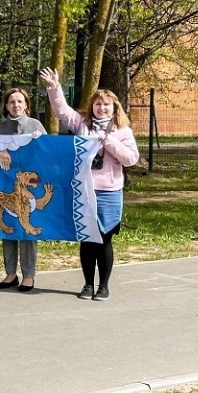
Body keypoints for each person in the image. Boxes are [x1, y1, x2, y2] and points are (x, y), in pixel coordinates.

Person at [40, 68, 139, 301]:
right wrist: (55, 87)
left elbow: (131, 159)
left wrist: (108, 140)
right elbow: (62, 111)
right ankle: (87, 284)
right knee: (87, 239)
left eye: (106, 105)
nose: (101, 108)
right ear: (92, 107)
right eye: (97, 105)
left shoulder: (122, 131)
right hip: (84, 190)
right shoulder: (82, 124)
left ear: (114, 108)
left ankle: (103, 286)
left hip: (109, 192)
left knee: (104, 239)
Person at [0, 87, 46, 293]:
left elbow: (46, 150)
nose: (16, 105)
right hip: (5, 182)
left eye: (20, 101)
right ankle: (10, 273)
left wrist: (39, 139)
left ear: (26, 105)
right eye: (12, 102)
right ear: (6, 105)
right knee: (9, 226)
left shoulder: (35, 124)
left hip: (28, 185)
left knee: (27, 227)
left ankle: (29, 275)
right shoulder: (0, 126)